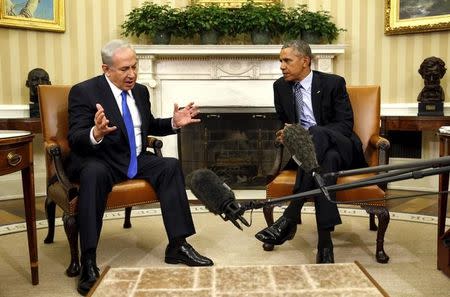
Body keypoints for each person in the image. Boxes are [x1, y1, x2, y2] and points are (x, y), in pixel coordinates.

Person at [67, 39, 213, 296]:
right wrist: (96, 132)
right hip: (102, 158)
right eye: (124, 69)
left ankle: (177, 245)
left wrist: (174, 123)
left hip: (134, 157)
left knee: (170, 166)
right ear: (106, 69)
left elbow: (149, 125)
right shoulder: (84, 92)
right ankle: (88, 259)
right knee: (93, 174)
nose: (132, 74)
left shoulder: (141, 91)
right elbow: (75, 137)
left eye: (134, 67)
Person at [255, 40, 366, 264]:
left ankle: (290, 216)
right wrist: (285, 133)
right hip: (317, 156)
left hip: (341, 146)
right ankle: (325, 242)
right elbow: (286, 122)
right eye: (280, 61)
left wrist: (313, 134)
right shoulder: (280, 87)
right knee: (326, 163)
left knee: (317, 134)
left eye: (287, 60)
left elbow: (345, 124)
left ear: (305, 61)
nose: (281, 66)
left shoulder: (333, 83)